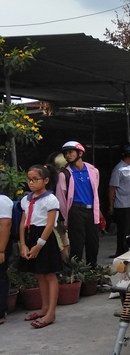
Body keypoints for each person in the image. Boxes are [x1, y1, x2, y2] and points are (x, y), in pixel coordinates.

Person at [18, 164, 63, 329]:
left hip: (44, 239)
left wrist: (38, 246)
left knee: (50, 275)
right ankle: (44, 308)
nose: (31, 182)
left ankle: (51, 313)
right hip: (30, 237)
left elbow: (50, 225)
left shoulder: (51, 199)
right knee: (39, 274)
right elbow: (23, 223)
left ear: (45, 180)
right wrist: (23, 244)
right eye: (29, 179)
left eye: (35, 179)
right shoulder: (26, 199)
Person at [57, 140, 101, 267]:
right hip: (75, 211)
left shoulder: (93, 171)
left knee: (93, 244)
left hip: (91, 210)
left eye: (70, 152)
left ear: (80, 153)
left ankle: (92, 274)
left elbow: (95, 192)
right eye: (65, 154)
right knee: (77, 246)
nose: (67, 156)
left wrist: (98, 213)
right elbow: (61, 199)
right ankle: (75, 276)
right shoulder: (64, 174)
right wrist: (65, 220)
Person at [108, 143, 130, 258]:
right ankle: (122, 251)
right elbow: (112, 188)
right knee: (123, 231)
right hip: (122, 205)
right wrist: (111, 206)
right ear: (129, 154)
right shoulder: (118, 169)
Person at [0, 193, 12, 325]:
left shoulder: (3, 201)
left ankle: (0, 311)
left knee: (0, 276)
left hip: (1, 244)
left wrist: (1, 250)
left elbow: (6, 225)